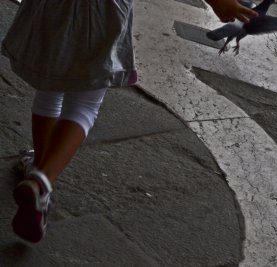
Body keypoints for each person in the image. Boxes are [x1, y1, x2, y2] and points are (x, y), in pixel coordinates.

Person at [2, 0, 257, 243]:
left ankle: (38, 165)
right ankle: (42, 182)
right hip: (103, 11)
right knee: (84, 106)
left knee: (49, 90)